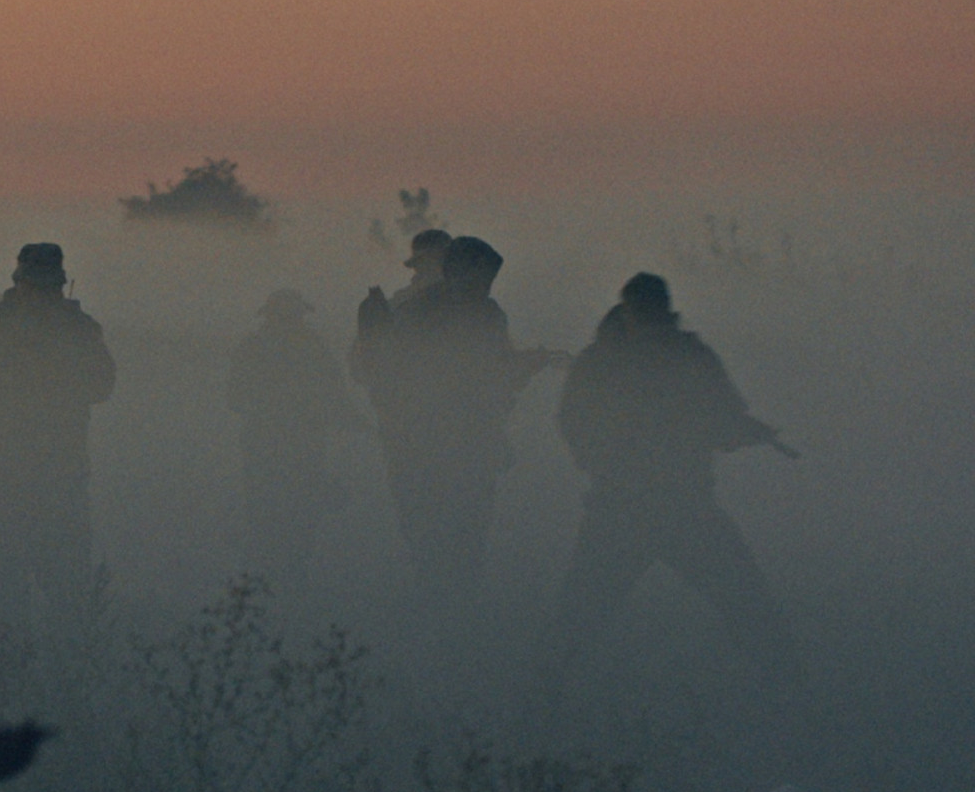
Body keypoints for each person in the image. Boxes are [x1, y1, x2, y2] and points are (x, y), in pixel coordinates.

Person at [542, 273, 799, 695]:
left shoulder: (604, 359)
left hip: (625, 507)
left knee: (575, 618)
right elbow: (724, 422)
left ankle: (535, 700)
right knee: (750, 607)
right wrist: (747, 432)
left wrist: (596, 462)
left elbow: (572, 420)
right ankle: (791, 693)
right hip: (679, 507)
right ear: (665, 307)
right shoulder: (689, 356)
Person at [350, 235, 556, 606]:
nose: (486, 286)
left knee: (458, 539)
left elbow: (492, 373)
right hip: (430, 447)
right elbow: (474, 375)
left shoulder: (464, 312)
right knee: (441, 539)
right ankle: (446, 615)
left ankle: (450, 613)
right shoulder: (423, 314)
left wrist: (525, 366)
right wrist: (523, 368)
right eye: (482, 277)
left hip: (454, 447)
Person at [0, 244, 116, 637]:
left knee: (61, 573)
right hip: (10, 462)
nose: (39, 297)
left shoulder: (77, 331)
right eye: (34, 288)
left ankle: (63, 652)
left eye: (44, 289)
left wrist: (46, 376)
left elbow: (102, 385)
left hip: (54, 465)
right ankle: (20, 651)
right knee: (7, 573)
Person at [227, 289, 365, 589]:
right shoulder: (312, 349)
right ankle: (287, 583)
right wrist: (358, 424)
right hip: (300, 448)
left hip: (268, 447)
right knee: (295, 516)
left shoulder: (254, 347)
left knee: (271, 516)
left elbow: (235, 398)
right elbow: (335, 397)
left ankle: (269, 586)